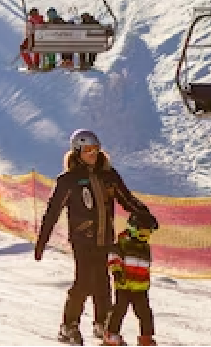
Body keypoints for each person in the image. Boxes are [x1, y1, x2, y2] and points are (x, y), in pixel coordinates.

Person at [34, 129, 155, 345]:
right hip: (82, 240)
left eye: (96, 149)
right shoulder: (69, 180)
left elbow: (127, 199)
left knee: (102, 283)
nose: (92, 154)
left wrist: (145, 214)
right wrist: (41, 242)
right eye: (88, 150)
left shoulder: (109, 176)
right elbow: (52, 212)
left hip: (105, 240)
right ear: (77, 151)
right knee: (83, 282)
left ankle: (103, 325)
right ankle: (69, 326)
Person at [103, 213, 160, 347]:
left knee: (145, 313)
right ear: (133, 229)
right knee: (119, 310)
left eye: (148, 233)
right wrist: (117, 271)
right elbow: (113, 257)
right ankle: (111, 334)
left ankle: (146, 337)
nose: (145, 237)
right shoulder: (122, 244)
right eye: (143, 233)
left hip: (140, 288)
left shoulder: (146, 247)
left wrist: (146, 282)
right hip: (124, 286)